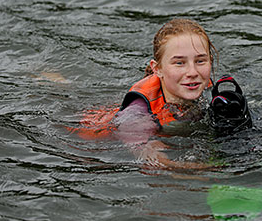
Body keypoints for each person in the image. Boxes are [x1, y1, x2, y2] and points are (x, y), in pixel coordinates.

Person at [70, 18, 219, 169]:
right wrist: (193, 170)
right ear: (157, 69)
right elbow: (152, 157)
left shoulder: (213, 92)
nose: (192, 72)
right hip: (87, 137)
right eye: (179, 63)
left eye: (200, 61)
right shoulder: (138, 113)